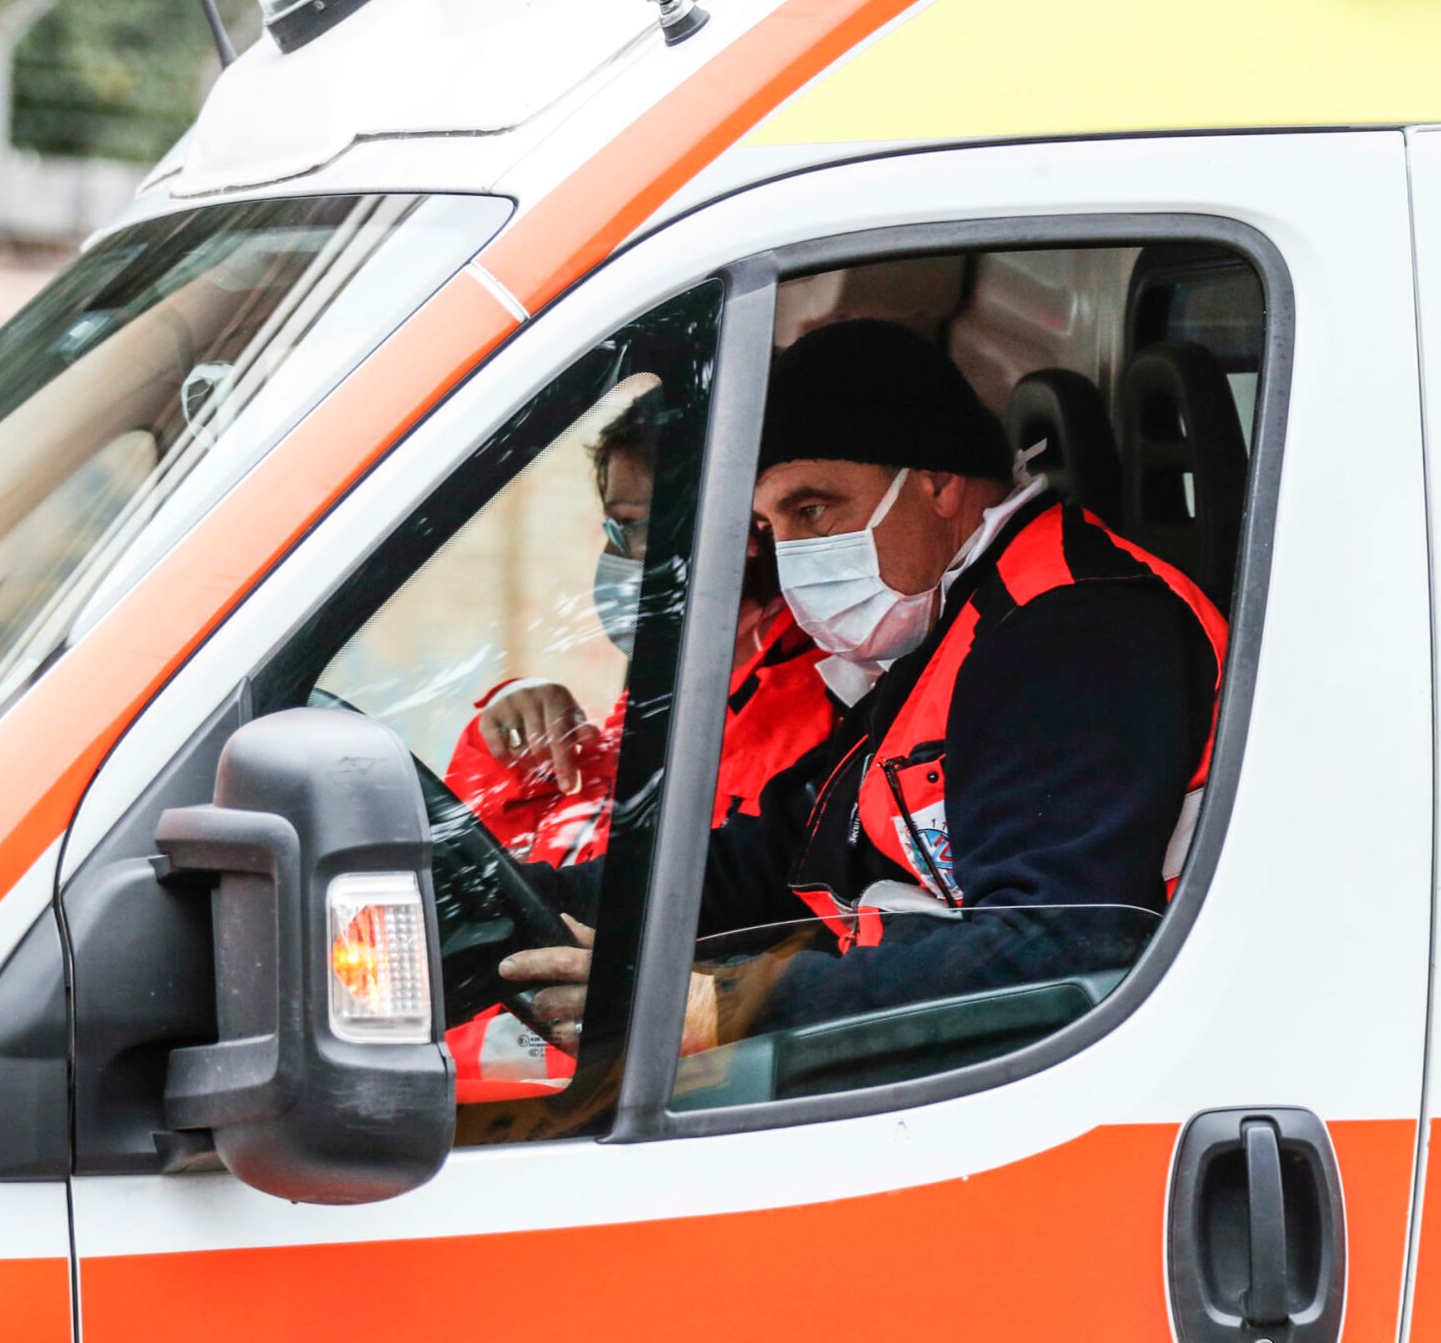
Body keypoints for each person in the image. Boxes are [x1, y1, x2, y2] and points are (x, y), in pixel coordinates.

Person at [500, 318, 1227, 1059]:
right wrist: (531, 904)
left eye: (814, 510)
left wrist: (731, 1006)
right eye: (770, 523)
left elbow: (1056, 952)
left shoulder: (1079, 631)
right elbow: (778, 852)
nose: (791, 555)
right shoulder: (945, 623)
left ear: (938, 481)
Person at [442, 395, 839, 1097]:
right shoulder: (682, 683)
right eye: (612, 528)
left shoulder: (796, 719)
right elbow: (554, 864)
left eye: (630, 529)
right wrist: (507, 747)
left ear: (738, 535)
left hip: (596, 1089)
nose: (612, 557)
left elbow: (650, 893)